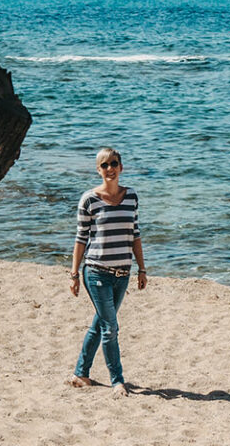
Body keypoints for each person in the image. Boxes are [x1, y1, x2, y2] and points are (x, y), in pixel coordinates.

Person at [69, 146, 147, 396]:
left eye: (114, 163)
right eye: (104, 165)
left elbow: (134, 234)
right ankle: (117, 380)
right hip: (96, 272)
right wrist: (73, 275)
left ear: (121, 167)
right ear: (98, 170)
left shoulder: (131, 196)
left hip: (123, 274)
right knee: (111, 328)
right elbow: (81, 239)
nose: (110, 169)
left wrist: (142, 269)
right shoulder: (89, 200)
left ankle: (81, 373)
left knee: (101, 324)